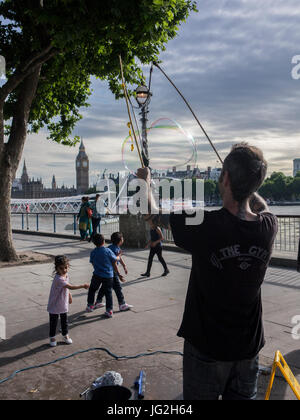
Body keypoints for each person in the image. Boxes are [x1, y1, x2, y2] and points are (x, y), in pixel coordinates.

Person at [137, 142, 278, 400]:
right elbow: (261, 205)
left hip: (206, 347)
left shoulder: (205, 224)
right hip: (248, 346)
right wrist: (247, 183)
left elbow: (150, 214)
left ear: (224, 178)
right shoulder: (268, 226)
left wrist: (145, 182)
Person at [47, 255, 89, 347]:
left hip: (62, 302)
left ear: (68, 266)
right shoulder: (58, 278)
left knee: (64, 320)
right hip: (55, 303)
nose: (64, 270)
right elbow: (70, 286)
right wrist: (83, 285)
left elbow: (66, 288)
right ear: (57, 268)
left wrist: (69, 296)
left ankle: (65, 335)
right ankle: (52, 337)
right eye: (61, 268)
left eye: (66, 267)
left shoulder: (65, 275)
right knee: (53, 321)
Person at [86, 234, 124, 318]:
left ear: (94, 243)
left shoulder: (93, 252)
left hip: (96, 274)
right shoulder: (107, 251)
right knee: (108, 293)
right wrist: (119, 255)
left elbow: (92, 262)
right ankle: (109, 310)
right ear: (104, 241)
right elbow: (115, 259)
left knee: (92, 289)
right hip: (108, 275)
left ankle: (90, 305)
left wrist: (97, 268)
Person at [95, 232, 133, 312]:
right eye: (122, 238)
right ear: (120, 241)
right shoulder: (115, 249)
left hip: (107, 271)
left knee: (104, 286)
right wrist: (118, 274)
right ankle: (122, 304)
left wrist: (124, 265)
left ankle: (98, 301)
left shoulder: (112, 247)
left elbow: (119, 258)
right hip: (112, 272)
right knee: (117, 287)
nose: (123, 239)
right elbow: (114, 263)